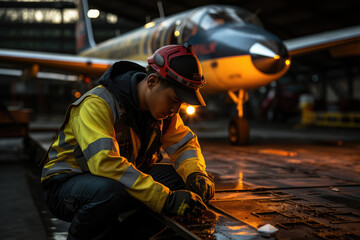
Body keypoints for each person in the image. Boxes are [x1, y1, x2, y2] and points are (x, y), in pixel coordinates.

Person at [40, 43, 215, 239]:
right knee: (109, 192)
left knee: (180, 181)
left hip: (112, 181)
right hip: (66, 184)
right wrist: (165, 199)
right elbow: (104, 163)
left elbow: (184, 145)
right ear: (152, 81)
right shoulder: (97, 104)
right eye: (173, 100)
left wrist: (196, 174)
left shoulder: (163, 113)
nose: (176, 109)